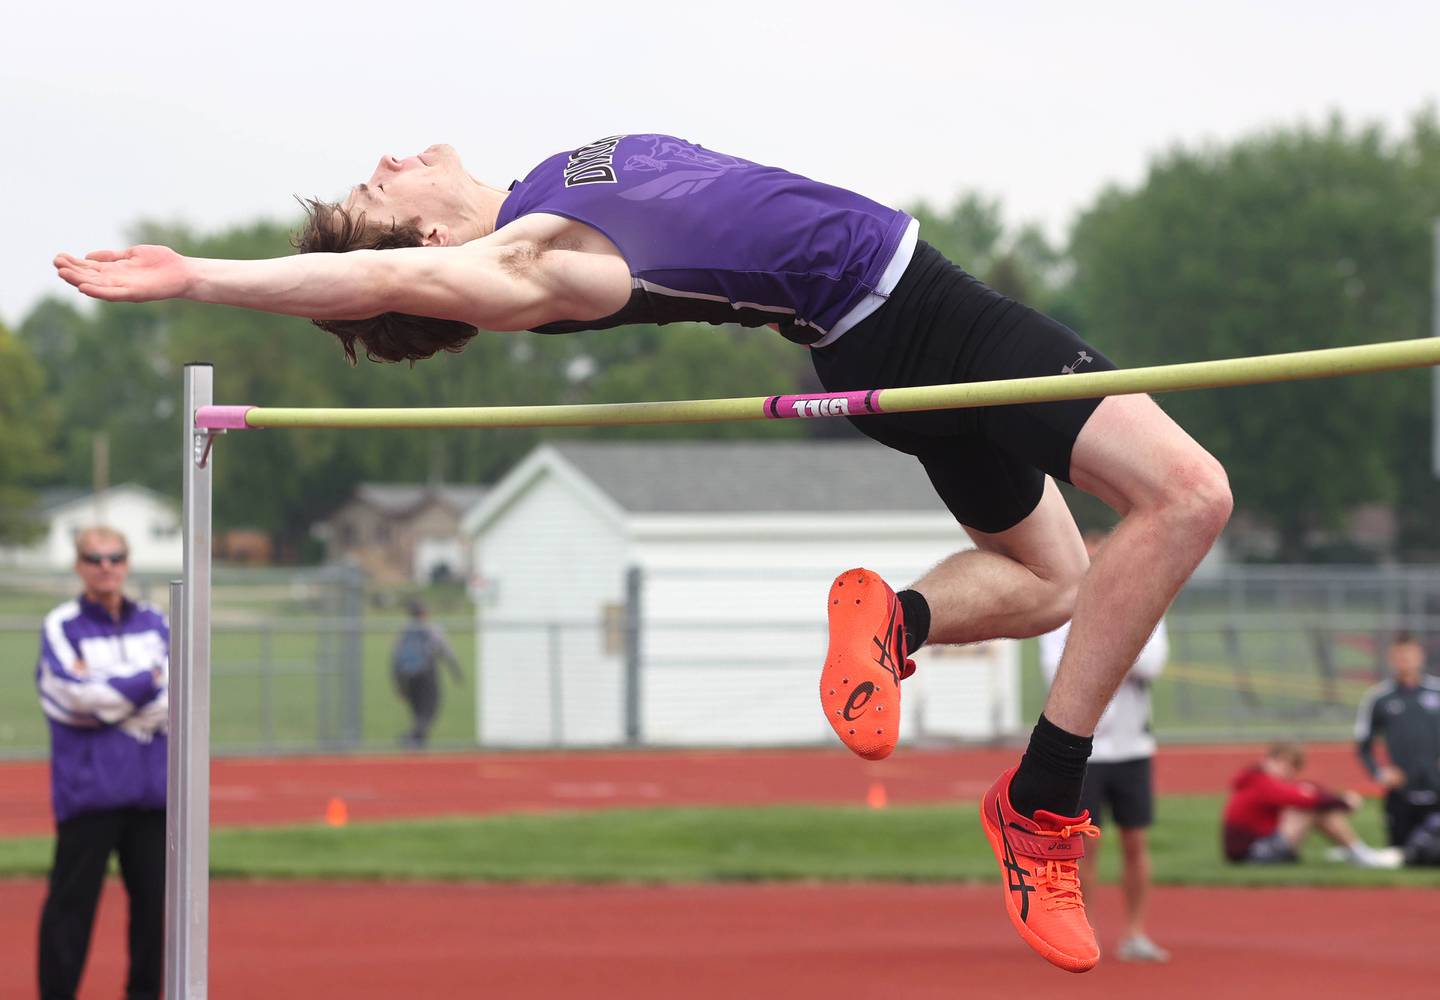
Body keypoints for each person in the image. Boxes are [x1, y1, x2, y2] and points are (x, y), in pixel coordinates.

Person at [54, 133, 1233, 972]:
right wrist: (200, 277)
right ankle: (1043, 800)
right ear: (425, 233)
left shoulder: (548, 183)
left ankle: (895, 622)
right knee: (1186, 494)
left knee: (1058, 578)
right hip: (923, 316)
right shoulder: (531, 258)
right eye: (383, 182)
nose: (389, 153)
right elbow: (385, 277)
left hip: (879, 339)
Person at [35, 527, 169, 1000]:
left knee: (157, 912)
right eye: (94, 558)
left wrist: (114, 694)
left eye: (115, 557)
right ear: (79, 565)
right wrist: (143, 686)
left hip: (153, 794)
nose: (105, 566)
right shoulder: (62, 625)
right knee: (70, 911)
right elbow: (74, 699)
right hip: (90, 793)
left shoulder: (156, 622)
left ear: (128, 563)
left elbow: (178, 699)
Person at [1038, 531, 1167, 963]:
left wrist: (1104, 645)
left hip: (1133, 748)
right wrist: (1116, 648)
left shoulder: (1147, 605)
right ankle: (1080, 935)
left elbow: (1152, 664)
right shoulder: (1063, 614)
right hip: (1083, 750)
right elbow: (1056, 672)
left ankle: (1135, 933)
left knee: (1135, 842)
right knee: (1080, 848)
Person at [1221, 742, 1395, 868]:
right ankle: (1360, 855)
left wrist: (1335, 800)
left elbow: (1308, 790)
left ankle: (1357, 853)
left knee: (1313, 807)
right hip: (1252, 854)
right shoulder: (1261, 782)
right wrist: (1343, 803)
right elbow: (1306, 798)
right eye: (1282, 763)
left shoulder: (1258, 779)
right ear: (1269, 759)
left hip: (1254, 850)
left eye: (1291, 767)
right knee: (1309, 810)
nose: (1286, 770)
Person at [1354, 632, 1440, 851]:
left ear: (1420, 656)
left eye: (1409, 654)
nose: (1405, 660)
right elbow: (1363, 745)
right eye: (1399, 655)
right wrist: (1380, 772)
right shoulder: (1379, 697)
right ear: (1391, 659)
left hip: (1436, 786)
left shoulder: (1437, 691)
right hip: (1401, 791)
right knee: (1402, 853)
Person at [391, 599, 463, 747]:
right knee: (430, 709)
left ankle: (418, 742)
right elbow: (445, 651)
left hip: (406, 675)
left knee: (417, 710)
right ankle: (412, 736)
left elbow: (396, 658)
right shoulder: (432, 629)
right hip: (427, 672)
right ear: (424, 613)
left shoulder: (404, 630)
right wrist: (456, 671)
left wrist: (399, 684)